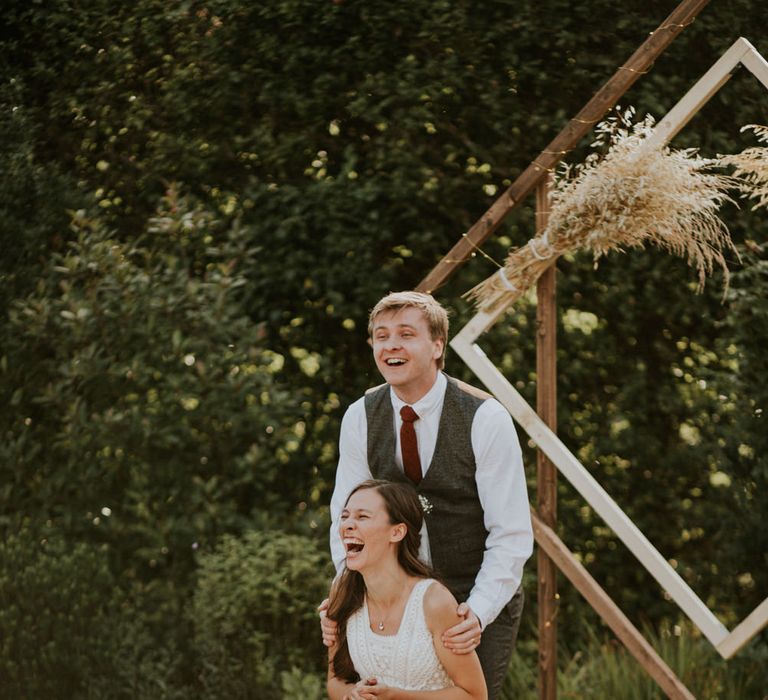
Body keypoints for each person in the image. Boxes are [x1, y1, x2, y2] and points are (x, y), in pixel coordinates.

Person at [323, 291, 533, 699]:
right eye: (381, 336)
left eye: (406, 334)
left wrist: (479, 611)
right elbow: (345, 519)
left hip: (473, 593)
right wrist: (344, 593)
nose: (391, 345)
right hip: (392, 599)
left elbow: (510, 534)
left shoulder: (485, 418)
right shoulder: (360, 416)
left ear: (438, 346)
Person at [327, 479, 487, 699]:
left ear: (397, 532)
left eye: (362, 517)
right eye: (345, 517)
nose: (347, 525)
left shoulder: (434, 602)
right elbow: (335, 681)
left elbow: (475, 695)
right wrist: (352, 694)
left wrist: (398, 697)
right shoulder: (342, 593)